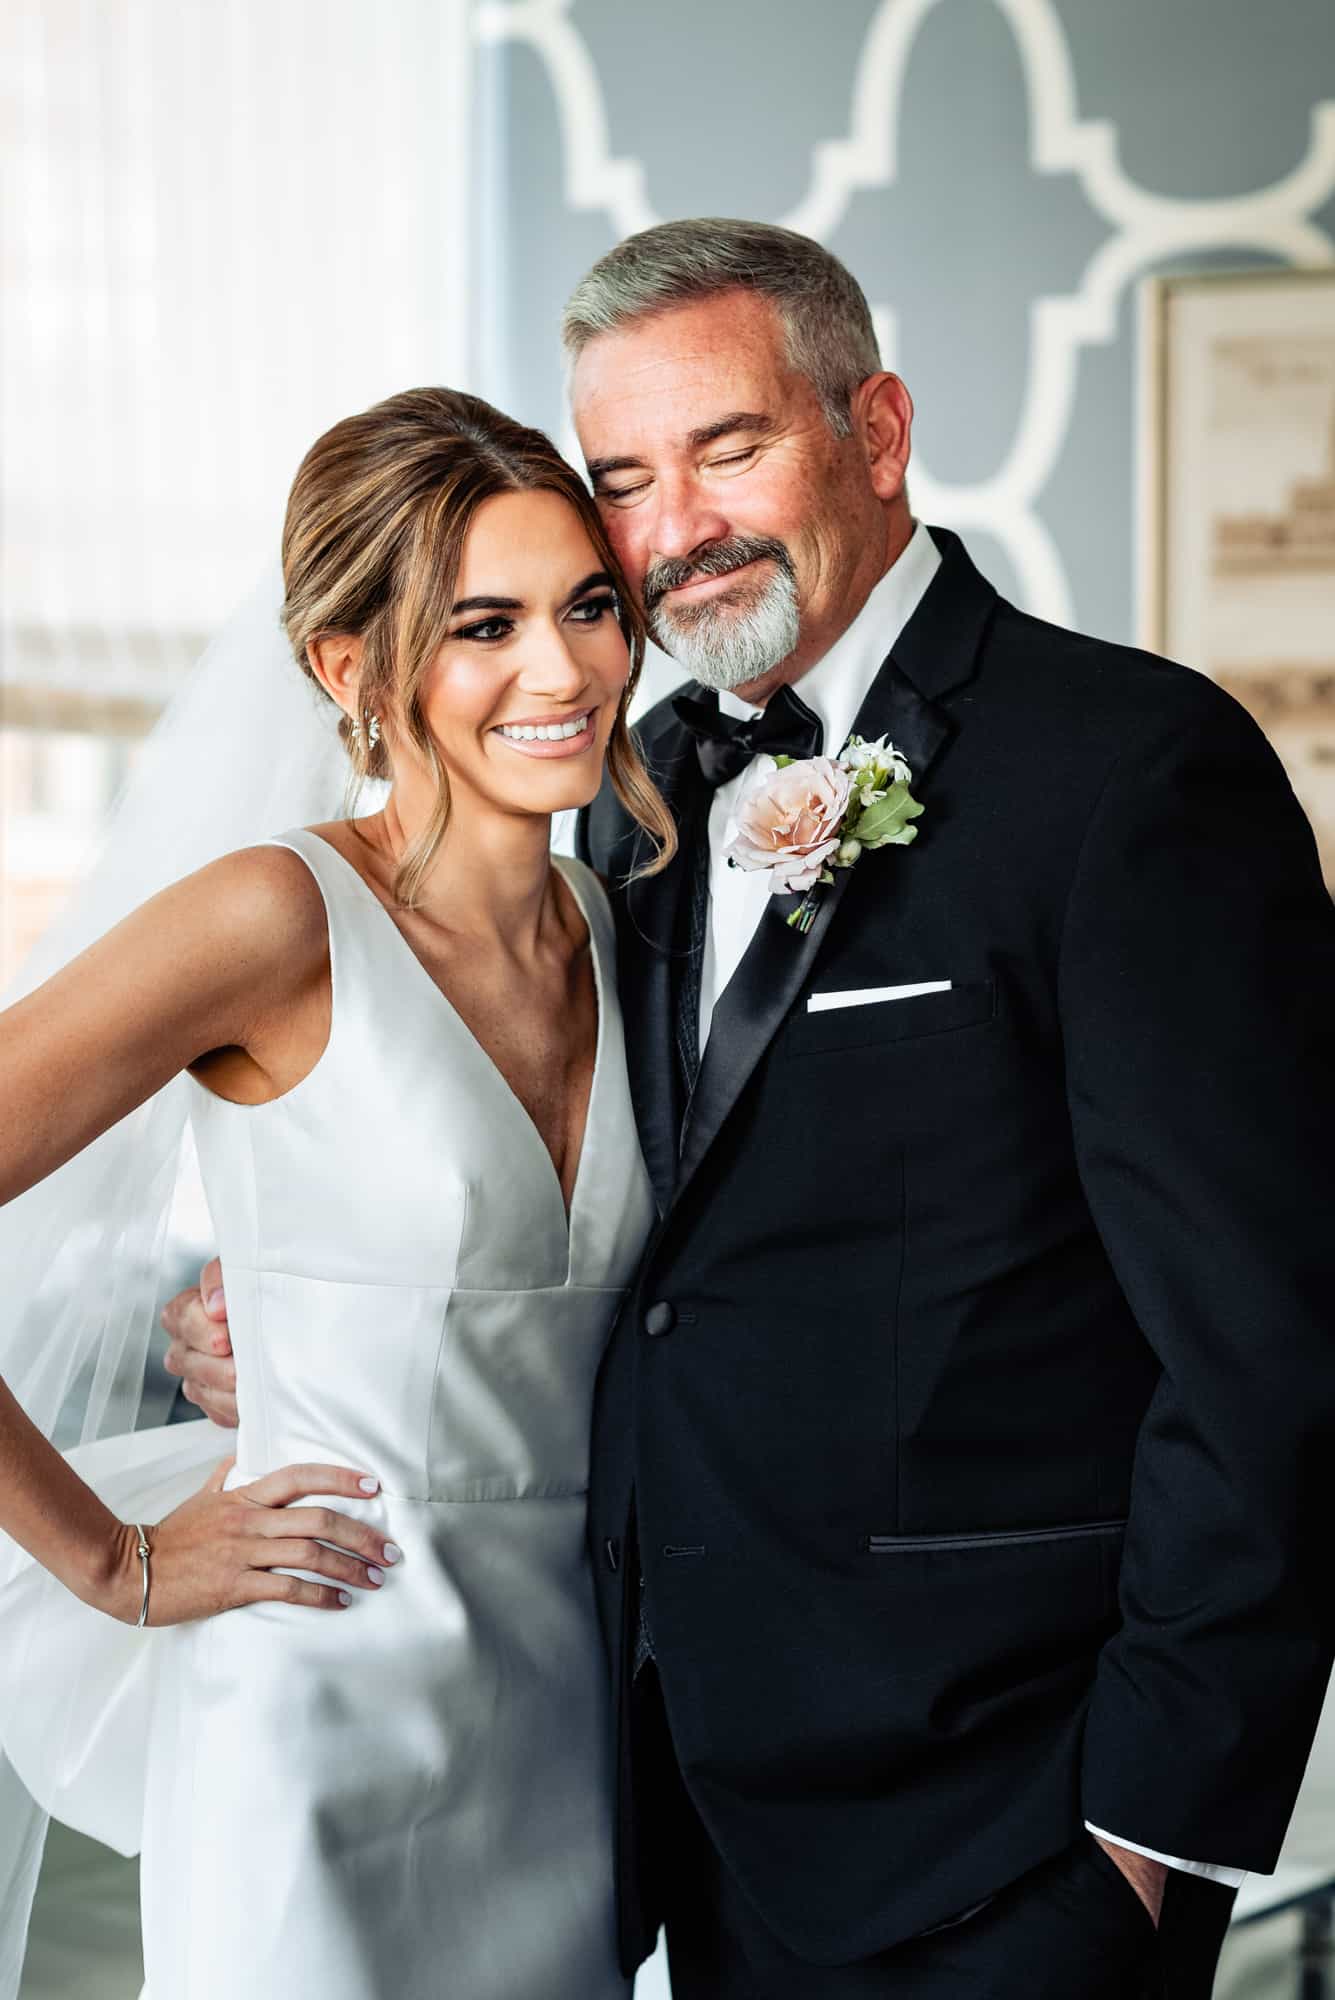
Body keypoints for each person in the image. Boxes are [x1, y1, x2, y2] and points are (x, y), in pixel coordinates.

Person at [167, 223, 1335, 1998]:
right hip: (677, 1808)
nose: (675, 526)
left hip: (1014, 1836)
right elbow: (641, 1248)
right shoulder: (638, 813)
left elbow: (1273, 1342)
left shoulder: (1128, 773)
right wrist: (334, 1309)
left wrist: (1146, 1838)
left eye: (731, 448)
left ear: (875, 434)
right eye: (624, 479)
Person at [0, 386, 672, 1998]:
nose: (563, 670)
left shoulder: (625, 923)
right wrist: (117, 1559)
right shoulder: (272, 917)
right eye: (483, 626)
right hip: (316, 1712)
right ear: (352, 671)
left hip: (568, 1726)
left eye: (588, 606)